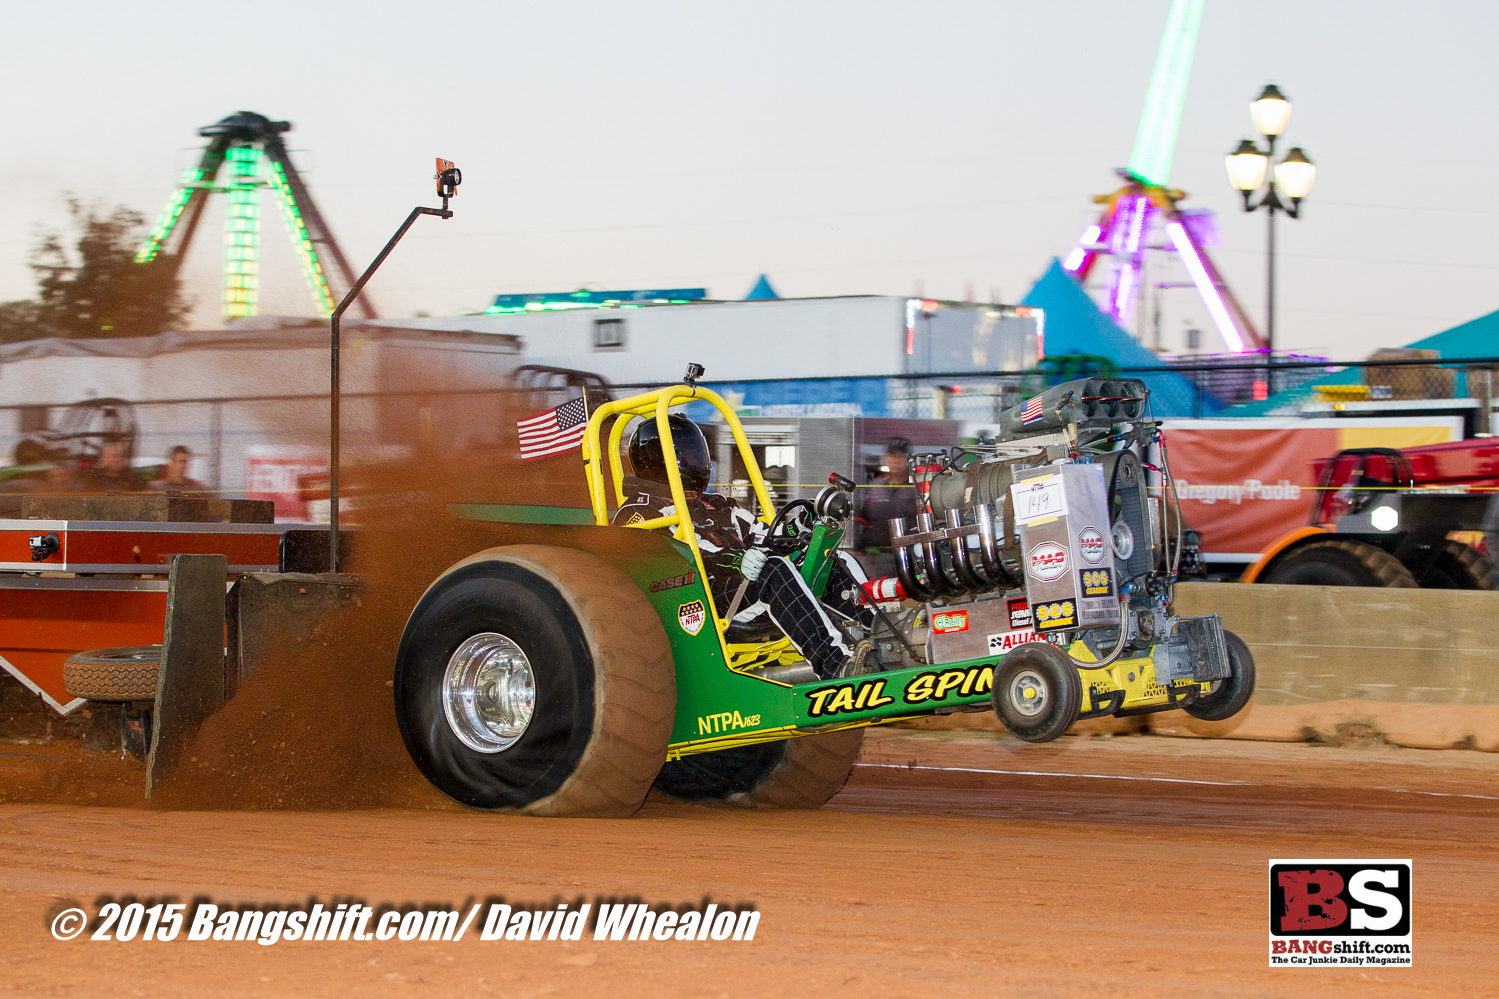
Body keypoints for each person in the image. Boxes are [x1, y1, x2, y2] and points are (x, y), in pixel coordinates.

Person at [612, 414, 875, 679]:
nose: (695, 461)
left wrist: (799, 527)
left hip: (742, 588)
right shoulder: (639, 512)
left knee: (835, 560)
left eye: (696, 452)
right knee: (772, 571)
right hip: (699, 599)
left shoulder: (716, 503)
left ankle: (877, 643)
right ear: (658, 459)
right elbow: (684, 556)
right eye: (687, 453)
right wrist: (736, 560)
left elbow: (763, 535)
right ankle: (835, 665)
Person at [854, 437, 919, 567]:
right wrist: (856, 548)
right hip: (874, 560)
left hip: (910, 559)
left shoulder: (917, 488)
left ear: (909, 460)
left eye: (901, 456)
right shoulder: (874, 486)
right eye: (892, 456)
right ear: (885, 458)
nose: (896, 460)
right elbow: (861, 518)